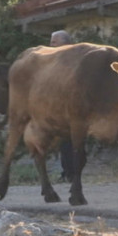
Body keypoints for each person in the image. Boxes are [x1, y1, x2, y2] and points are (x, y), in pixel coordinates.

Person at [49, 30, 76, 182]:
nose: (51, 45)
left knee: (71, 141)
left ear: (64, 43)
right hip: (59, 106)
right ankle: (67, 172)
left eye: (54, 42)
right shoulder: (55, 59)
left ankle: (71, 173)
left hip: (71, 105)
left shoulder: (71, 59)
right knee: (64, 141)